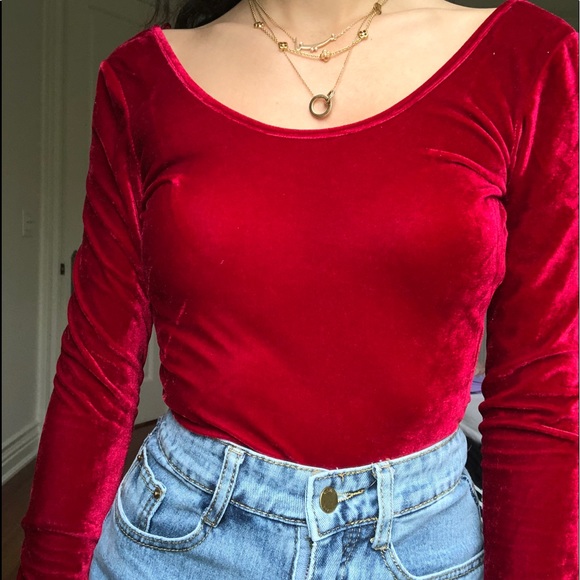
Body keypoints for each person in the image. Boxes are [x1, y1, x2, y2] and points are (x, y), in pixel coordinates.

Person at [18, 0, 578, 577]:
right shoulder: (141, 78)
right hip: (180, 540)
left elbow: (542, 385)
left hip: (426, 543)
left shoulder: (527, 58)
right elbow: (96, 369)